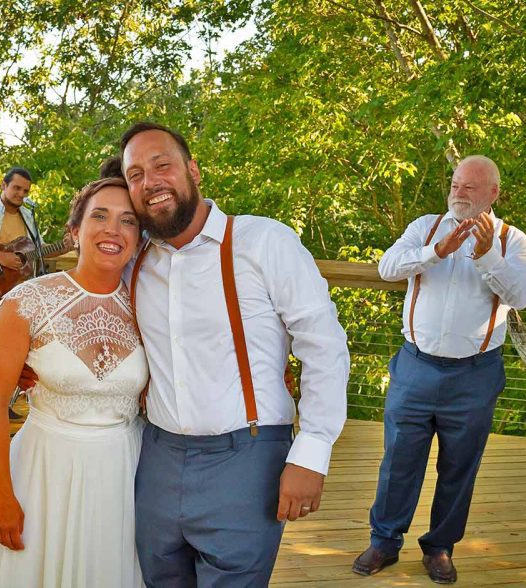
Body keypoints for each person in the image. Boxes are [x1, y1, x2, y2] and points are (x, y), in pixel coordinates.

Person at [120, 122, 350, 586]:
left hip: (246, 457)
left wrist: (313, 449)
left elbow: (323, 345)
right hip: (157, 457)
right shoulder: (134, 259)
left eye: (162, 165)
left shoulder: (265, 242)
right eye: (135, 175)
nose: (150, 182)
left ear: (193, 170)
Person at [353, 156, 526, 583]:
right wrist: (437, 252)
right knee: (399, 459)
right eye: (455, 184)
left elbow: (523, 296)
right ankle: (384, 541)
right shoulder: (425, 227)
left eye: (470, 187)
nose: (459, 192)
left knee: (459, 466)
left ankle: (439, 547)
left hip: (475, 374)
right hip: (415, 366)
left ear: (493, 193)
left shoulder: (513, 241)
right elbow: (387, 267)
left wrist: (487, 255)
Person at [0, 177, 148, 587]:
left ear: (139, 238)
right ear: (74, 232)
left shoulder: (150, 303)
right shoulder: (27, 302)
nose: (112, 229)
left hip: (125, 470)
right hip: (45, 472)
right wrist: (2, 498)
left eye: (127, 221)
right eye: (99, 216)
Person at [0, 167, 71, 430]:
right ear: (3, 185)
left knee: (9, 350)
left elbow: (35, 252)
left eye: (25, 191)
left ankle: (0, 404)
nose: (21, 194)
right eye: (16, 188)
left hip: (13, 292)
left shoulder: (27, 215)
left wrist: (66, 246)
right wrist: (1, 257)